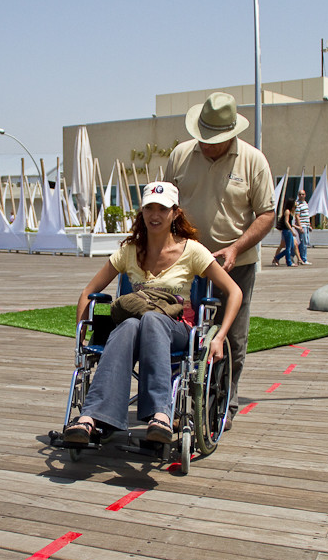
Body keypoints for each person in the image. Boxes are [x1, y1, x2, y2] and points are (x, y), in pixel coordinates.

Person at [64, 182, 243, 445]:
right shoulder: (129, 251)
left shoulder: (191, 250)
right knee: (126, 326)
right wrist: (80, 336)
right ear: (142, 211)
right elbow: (88, 292)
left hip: (177, 330)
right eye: (149, 207)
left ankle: (161, 412)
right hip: (135, 330)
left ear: (175, 213)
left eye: (162, 208)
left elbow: (234, 291)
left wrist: (219, 337)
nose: (155, 214)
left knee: (150, 319)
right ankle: (92, 417)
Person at [162, 92, 275, 423]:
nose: (207, 144)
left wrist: (236, 247)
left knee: (231, 337)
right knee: (179, 331)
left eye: (214, 139)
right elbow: (165, 205)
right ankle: (174, 398)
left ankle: (224, 402)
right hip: (185, 265)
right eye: (203, 137)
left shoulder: (254, 161)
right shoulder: (181, 154)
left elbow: (267, 214)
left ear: (231, 133)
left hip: (234, 267)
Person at [272, 197, 298, 267]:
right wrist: (292, 231)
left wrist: (295, 227)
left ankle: (277, 257)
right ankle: (288, 262)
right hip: (287, 231)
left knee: (292, 247)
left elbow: (289, 222)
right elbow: (286, 222)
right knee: (288, 247)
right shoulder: (287, 211)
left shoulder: (290, 211)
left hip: (288, 230)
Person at [295, 189, 312, 265]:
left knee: (304, 242)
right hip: (302, 225)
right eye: (300, 194)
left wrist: (309, 225)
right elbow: (297, 216)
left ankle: (293, 255)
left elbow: (307, 216)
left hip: (306, 225)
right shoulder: (298, 204)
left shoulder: (305, 203)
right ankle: (303, 259)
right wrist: (300, 227)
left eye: (303, 194)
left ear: (305, 195)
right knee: (303, 243)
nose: (301, 196)